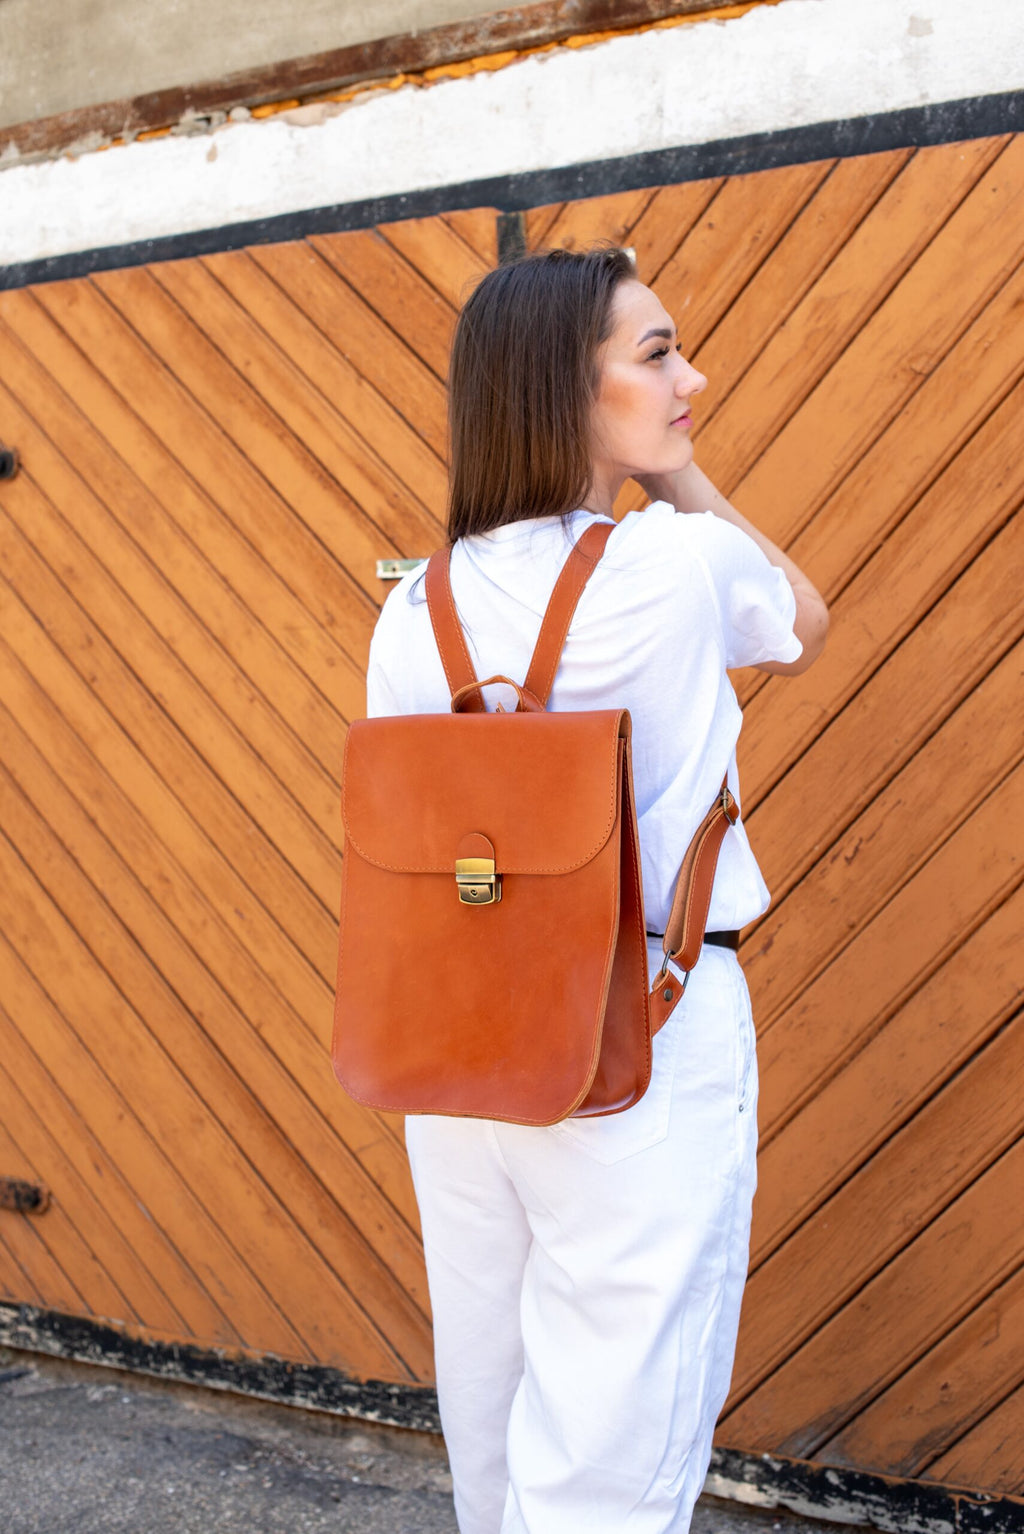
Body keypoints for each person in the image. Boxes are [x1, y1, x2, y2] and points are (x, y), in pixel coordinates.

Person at [364, 247, 829, 1534]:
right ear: (566, 386)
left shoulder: (415, 605)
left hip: (460, 1052)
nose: (692, 380)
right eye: (657, 354)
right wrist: (673, 474)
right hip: (646, 1030)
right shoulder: (679, 564)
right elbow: (802, 622)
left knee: (494, 1406)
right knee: (618, 1444)